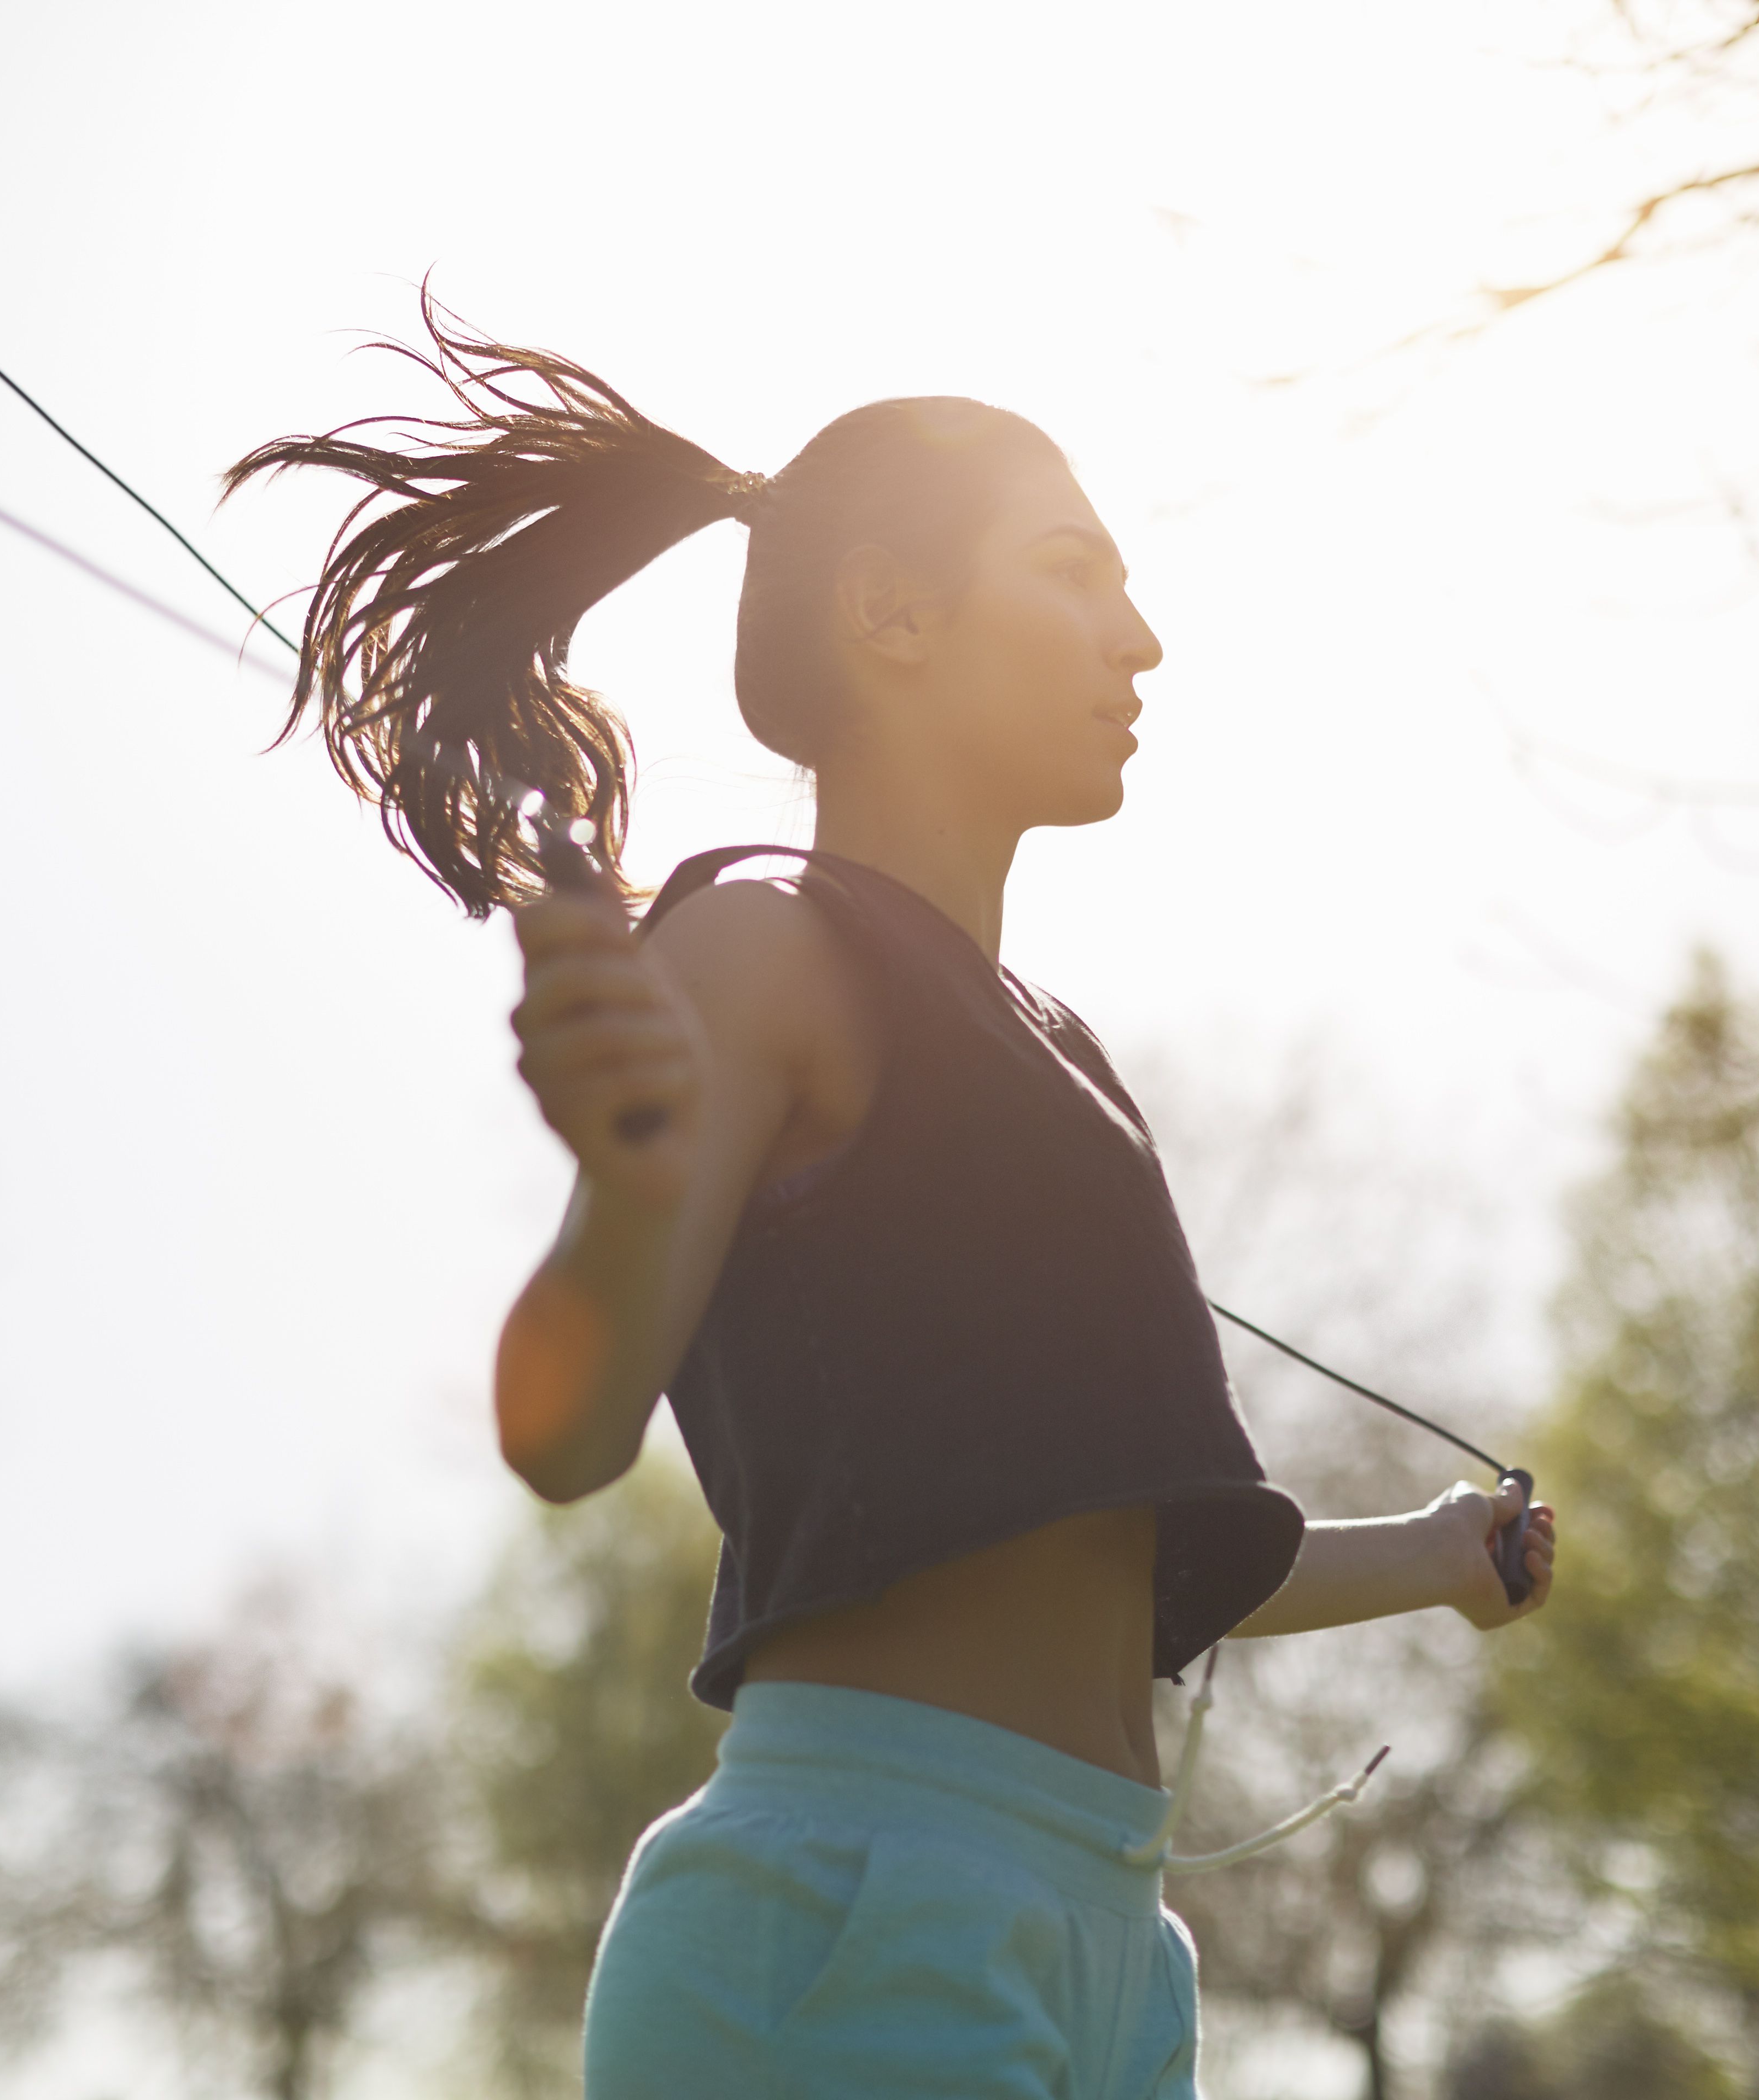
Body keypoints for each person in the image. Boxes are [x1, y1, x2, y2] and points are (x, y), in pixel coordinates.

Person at [230, 310, 1559, 2098]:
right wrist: (625, 1196)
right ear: (893, 615)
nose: (1141, 635)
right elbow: (562, 1432)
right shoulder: (760, 943)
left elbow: (1093, 1554)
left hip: (1111, 1950)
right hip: (855, 1918)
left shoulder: (1066, 1050)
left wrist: (1431, 1558)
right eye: (1075, 570)